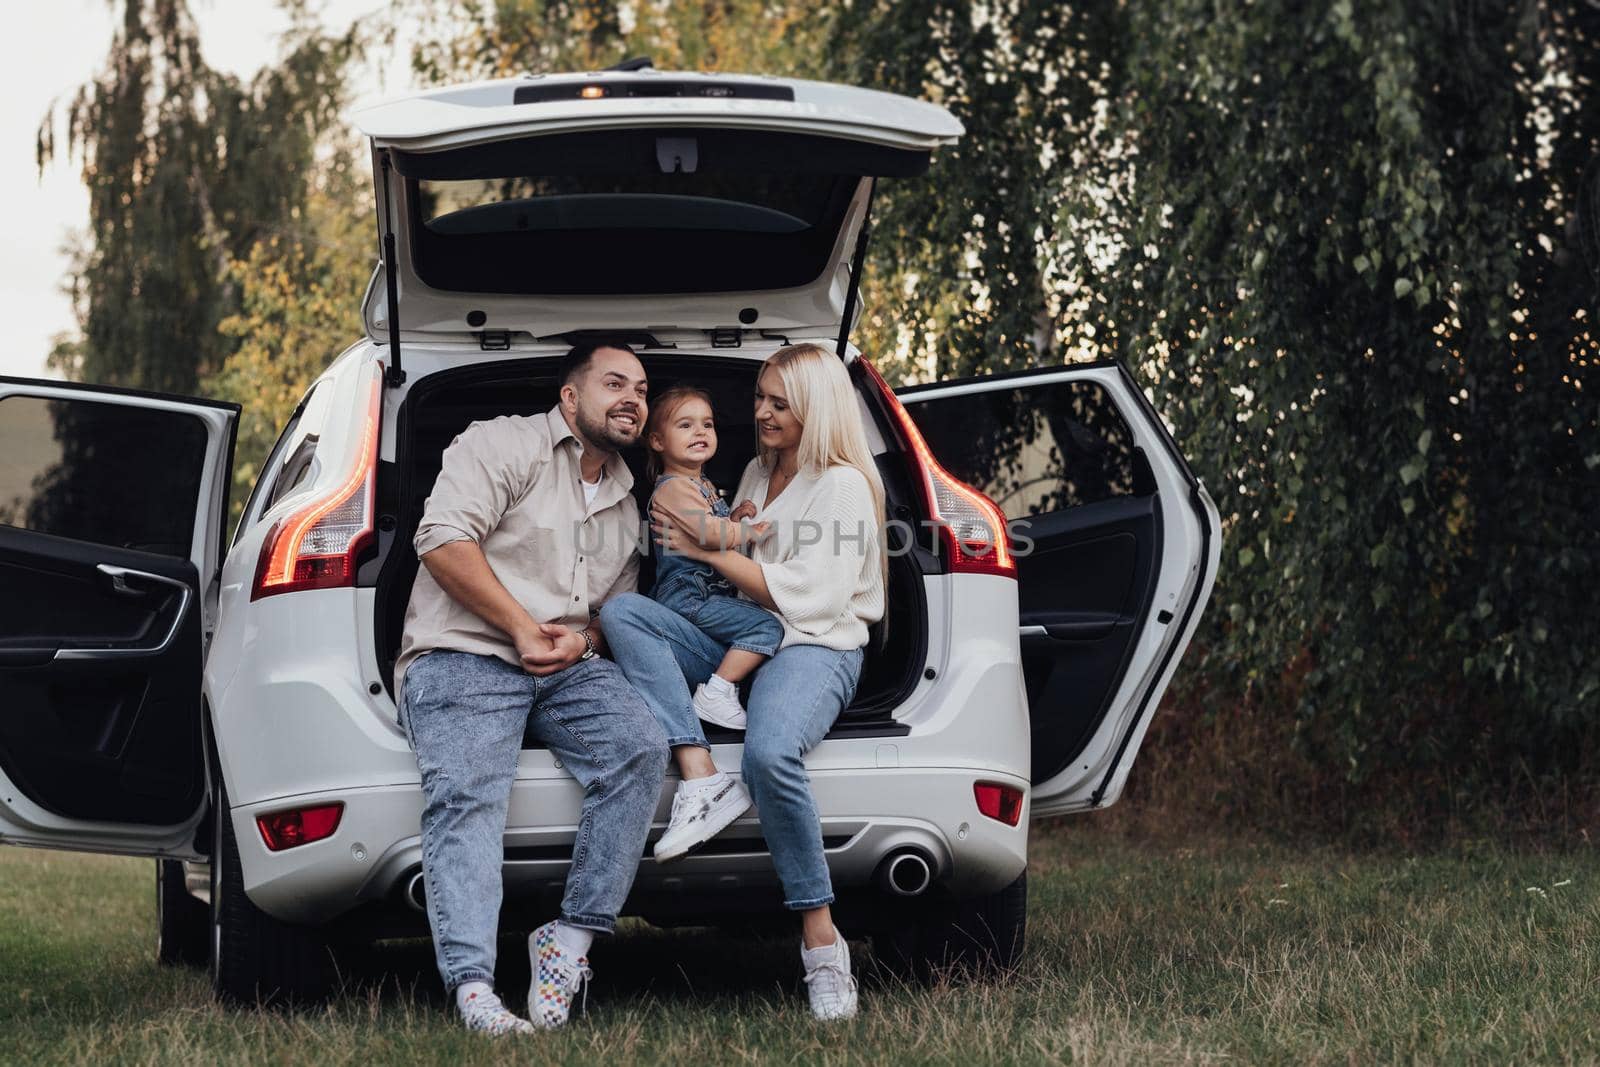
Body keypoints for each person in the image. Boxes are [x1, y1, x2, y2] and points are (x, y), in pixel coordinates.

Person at [602, 343, 887, 1021]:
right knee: (622, 613)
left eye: (778, 403)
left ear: (814, 408)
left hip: (814, 643)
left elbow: (809, 600)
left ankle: (821, 943)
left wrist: (703, 546)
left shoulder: (841, 483)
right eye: (759, 397)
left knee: (768, 754)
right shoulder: (758, 472)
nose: (759, 411)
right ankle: (697, 770)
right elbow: (735, 554)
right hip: (748, 635)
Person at [393, 342, 667, 1036]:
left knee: (640, 746)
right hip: (466, 651)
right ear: (571, 398)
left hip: (564, 665)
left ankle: (567, 943)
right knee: (471, 794)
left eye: (640, 386)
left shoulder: (631, 498)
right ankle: (475, 988)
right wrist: (519, 626)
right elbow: (442, 539)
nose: (632, 396)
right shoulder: (501, 442)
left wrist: (586, 642)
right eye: (614, 383)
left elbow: (612, 613)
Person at [641, 384, 782, 734]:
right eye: (685, 425)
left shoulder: (699, 484)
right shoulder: (673, 487)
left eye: (707, 424)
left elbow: (708, 529)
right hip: (687, 596)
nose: (700, 432)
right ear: (658, 441)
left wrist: (734, 518)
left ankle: (721, 684)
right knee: (766, 626)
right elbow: (709, 536)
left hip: (704, 593)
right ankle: (716, 691)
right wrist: (749, 532)